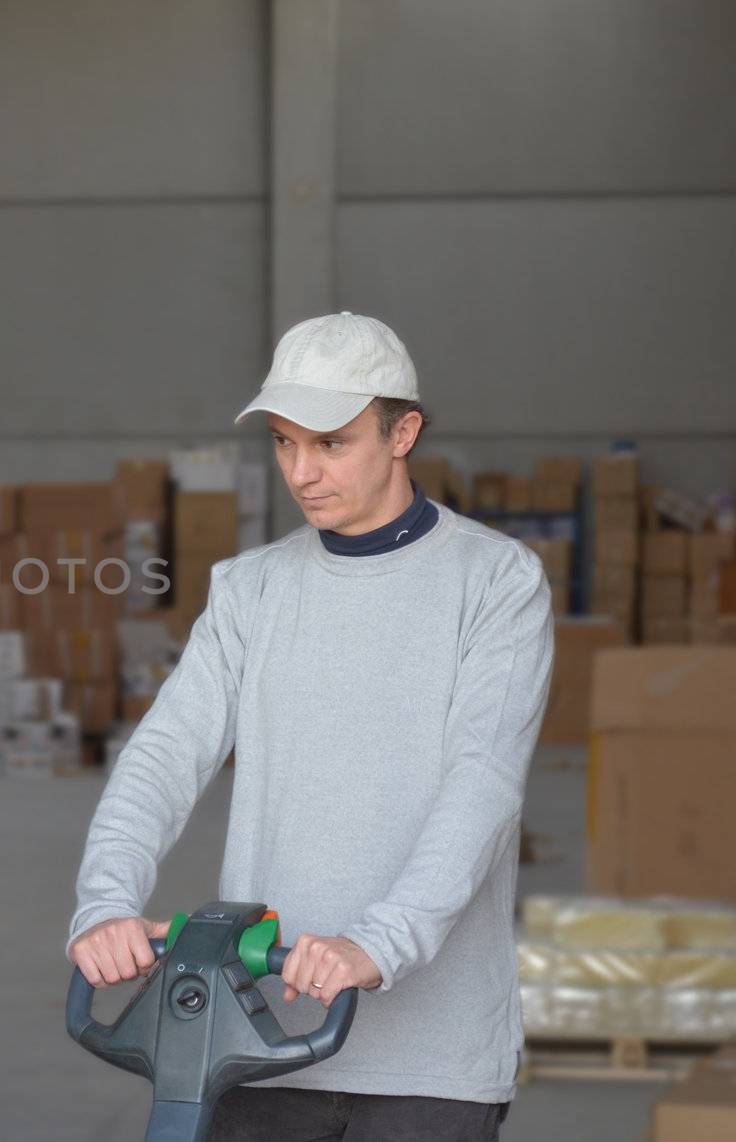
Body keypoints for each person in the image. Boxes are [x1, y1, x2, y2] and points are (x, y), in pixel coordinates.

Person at [67, 312, 553, 1141]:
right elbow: (163, 756)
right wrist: (103, 902)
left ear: (403, 432)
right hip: (257, 1036)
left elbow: (483, 785)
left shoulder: (496, 583)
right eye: (286, 444)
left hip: (431, 1066)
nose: (303, 471)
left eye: (331, 443)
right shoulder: (251, 589)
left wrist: (378, 944)